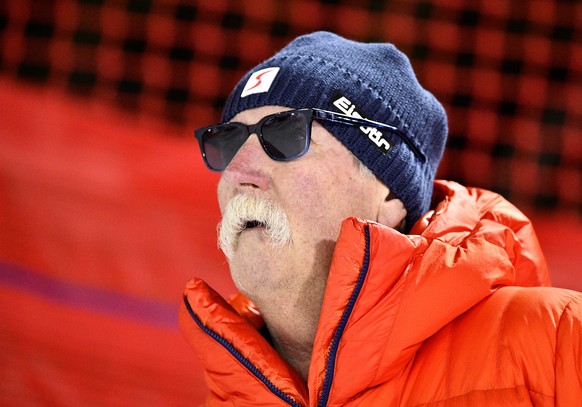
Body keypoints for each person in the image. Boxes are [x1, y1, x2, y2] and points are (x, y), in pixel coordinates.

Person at [179, 31, 582, 406]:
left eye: (284, 134)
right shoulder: (227, 395)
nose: (238, 169)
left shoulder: (558, 341)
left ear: (388, 187)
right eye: (228, 140)